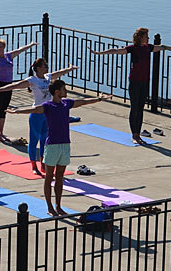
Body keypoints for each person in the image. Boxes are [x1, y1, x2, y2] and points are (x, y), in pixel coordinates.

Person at [9, 80, 108, 216]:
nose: (66, 91)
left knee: (60, 177)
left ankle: (58, 206)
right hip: (52, 146)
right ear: (57, 92)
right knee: (49, 177)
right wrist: (16, 111)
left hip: (65, 145)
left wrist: (98, 99)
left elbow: (82, 102)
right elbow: (35, 109)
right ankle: (50, 207)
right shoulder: (48, 106)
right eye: (64, 89)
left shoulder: (66, 103)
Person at [92, 28, 171, 145]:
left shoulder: (148, 47)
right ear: (140, 37)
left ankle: (138, 134)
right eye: (146, 36)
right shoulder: (133, 49)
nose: (148, 38)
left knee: (141, 108)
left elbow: (161, 47)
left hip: (145, 82)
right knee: (134, 108)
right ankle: (134, 135)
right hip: (135, 82)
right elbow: (116, 50)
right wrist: (100, 53)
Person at [0, 59, 78, 175]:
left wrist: (70, 69)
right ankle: (33, 166)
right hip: (36, 114)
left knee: (44, 141)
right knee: (33, 141)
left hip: (48, 114)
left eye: (46, 66)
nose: (46, 68)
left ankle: (43, 164)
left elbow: (59, 73)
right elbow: (15, 85)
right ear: (38, 68)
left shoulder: (47, 78)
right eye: (44, 66)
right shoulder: (32, 80)